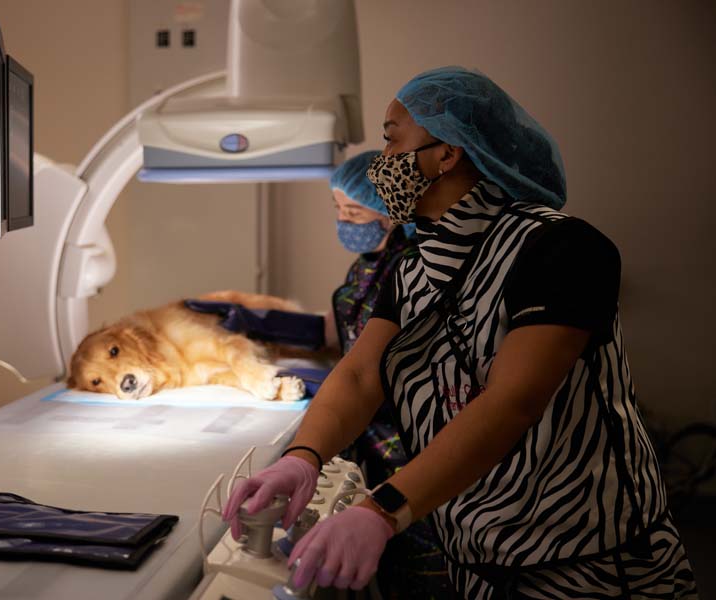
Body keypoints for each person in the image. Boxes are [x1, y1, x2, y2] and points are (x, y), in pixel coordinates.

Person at [223, 66, 698, 599]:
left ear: (446, 153)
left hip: (591, 564)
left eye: (390, 139)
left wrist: (380, 510)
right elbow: (359, 375)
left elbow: (512, 402)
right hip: (474, 560)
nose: (381, 164)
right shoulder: (413, 268)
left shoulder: (560, 248)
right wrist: (301, 457)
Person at [328, 151, 451, 599]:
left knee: (427, 569)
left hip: (409, 440)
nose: (344, 219)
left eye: (354, 210)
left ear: (388, 211)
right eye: (339, 209)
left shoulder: (415, 265)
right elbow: (343, 329)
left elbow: (383, 365)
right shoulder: (366, 262)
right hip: (376, 441)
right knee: (395, 569)